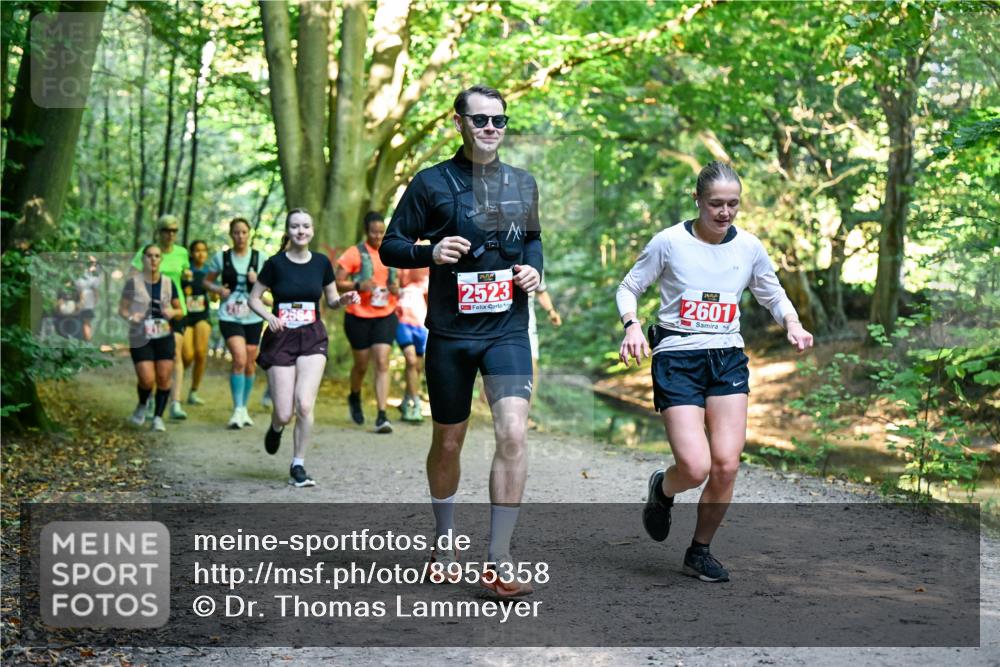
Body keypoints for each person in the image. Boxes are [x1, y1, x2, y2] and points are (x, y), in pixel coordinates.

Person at [616, 161, 814, 583]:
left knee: (726, 465)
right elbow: (629, 287)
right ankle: (663, 489)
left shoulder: (750, 247)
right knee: (695, 467)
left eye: (732, 204)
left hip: (726, 358)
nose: (724, 213)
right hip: (678, 357)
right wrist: (632, 325)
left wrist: (792, 324)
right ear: (697, 200)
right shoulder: (668, 243)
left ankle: (699, 551)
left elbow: (771, 293)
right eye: (715, 204)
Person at [381, 84, 542, 597]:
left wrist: (533, 272)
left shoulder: (523, 183)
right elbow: (391, 246)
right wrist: (430, 250)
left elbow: (534, 240)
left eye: (499, 120)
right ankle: (445, 540)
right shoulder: (430, 183)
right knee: (448, 441)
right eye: (480, 120)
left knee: (513, 433)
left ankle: (498, 557)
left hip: (507, 331)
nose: (491, 129)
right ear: (459, 123)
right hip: (450, 335)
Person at [249, 209, 359, 487]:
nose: (301, 231)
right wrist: (269, 317)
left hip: (312, 337)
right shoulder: (275, 264)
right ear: (288, 230)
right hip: (282, 336)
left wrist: (342, 300)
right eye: (295, 226)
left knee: (305, 404)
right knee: (284, 412)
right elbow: (254, 299)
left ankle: (298, 464)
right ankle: (276, 427)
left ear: (312, 230)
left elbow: (331, 300)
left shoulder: (321, 263)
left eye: (306, 226)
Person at [335, 211, 400, 433]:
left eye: (382, 232)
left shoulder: (391, 251)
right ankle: (354, 395)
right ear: (366, 231)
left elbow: (397, 281)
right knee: (361, 364)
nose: (378, 236)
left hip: (385, 314)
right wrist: (357, 285)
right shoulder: (354, 253)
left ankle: (382, 415)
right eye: (374, 232)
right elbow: (336, 282)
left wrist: (395, 289)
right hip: (358, 316)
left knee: (382, 361)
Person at [204, 218, 267, 428]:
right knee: (239, 358)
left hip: (253, 315)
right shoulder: (221, 258)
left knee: (250, 361)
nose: (240, 236)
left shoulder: (260, 258)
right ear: (231, 235)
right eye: (236, 233)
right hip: (229, 315)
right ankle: (237, 408)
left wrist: (256, 280)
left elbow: (270, 291)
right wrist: (217, 290)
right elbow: (206, 280)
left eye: (243, 232)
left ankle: (244, 408)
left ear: (249, 234)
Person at [132, 215, 190, 420]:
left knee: (176, 356)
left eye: (174, 230)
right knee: (154, 362)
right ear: (159, 232)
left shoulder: (182, 252)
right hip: (147, 315)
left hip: (175, 310)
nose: (171, 234)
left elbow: (186, 277)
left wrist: (188, 280)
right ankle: (149, 399)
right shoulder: (146, 252)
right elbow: (133, 276)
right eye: (166, 230)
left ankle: (175, 402)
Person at [120, 243, 180, 432]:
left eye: (156, 256)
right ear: (143, 259)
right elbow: (122, 309)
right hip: (140, 335)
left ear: (161, 260)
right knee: (146, 379)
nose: (153, 259)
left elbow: (180, 310)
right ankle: (142, 404)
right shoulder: (133, 283)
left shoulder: (169, 283)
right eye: (149, 256)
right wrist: (131, 316)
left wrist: (173, 311)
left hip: (163, 335)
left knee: (163, 377)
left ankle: (158, 418)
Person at [395, 266, 430, 422]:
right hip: (402, 322)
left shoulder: (426, 271)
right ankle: (415, 405)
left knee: (416, 367)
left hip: (421, 325)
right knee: (411, 360)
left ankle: (405, 400)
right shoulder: (395, 266)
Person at [182, 240, 212, 406]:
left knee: (201, 353)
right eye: (197, 251)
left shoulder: (209, 272)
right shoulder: (185, 271)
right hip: (186, 316)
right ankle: (174, 380)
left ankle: (193, 391)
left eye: (203, 250)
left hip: (202, 315)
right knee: (187, 356)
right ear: (191, 253)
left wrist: (215, 292)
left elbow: (215, 296)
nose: (200, 254)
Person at [527, 274, 562, 387]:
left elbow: (541, 291)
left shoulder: (533, 258)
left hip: (527, 321)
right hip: (497, 321)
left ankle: (528, 404)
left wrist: (551, 311)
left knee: (532, 364)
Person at [75, 256, 101, 342]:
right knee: (84, 322)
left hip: (87, 302)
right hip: (81, 302)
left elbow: (95, 291)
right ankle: (85, 341)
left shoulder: (93, 276)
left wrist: (94, 302)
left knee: (86, 322)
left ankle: (87, 341)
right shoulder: (82, 275)